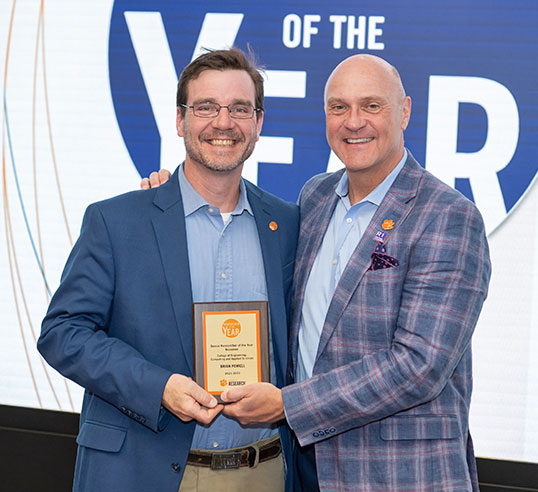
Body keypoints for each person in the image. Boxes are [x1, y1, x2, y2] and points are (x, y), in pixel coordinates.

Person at [217, 54, 492, 491]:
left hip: (401, 474)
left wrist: (288, 405)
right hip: (307, 468)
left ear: (404, 111)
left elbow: (418, 366)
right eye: (338, 107)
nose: (353, 122)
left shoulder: (447, 216)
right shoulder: (315, 196)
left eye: (372, 106)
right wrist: (173, 194)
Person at [37, 48, 299, 492]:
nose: (223, 122)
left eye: (239, 108)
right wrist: (158, 387)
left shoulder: (289, 224)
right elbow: (63, 332)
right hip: (142, 471)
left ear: (258, 123)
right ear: (180, 121)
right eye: (205, 107)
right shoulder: (117, 221)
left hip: (264, 473)